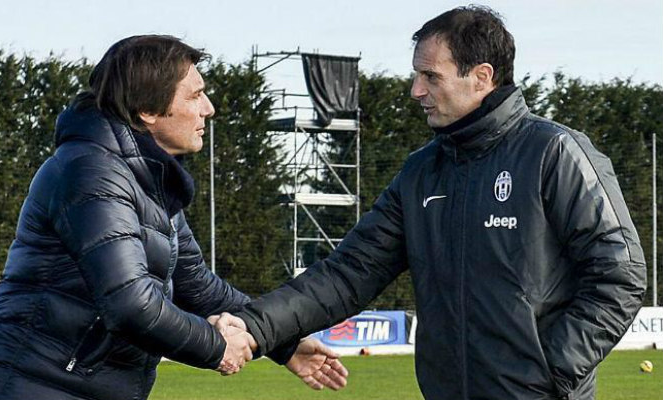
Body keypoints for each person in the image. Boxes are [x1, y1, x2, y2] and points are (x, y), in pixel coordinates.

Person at [211, 6, 647, 400]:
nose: (416, 90)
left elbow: (621, 275)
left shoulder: (555, 152)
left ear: (481, 77)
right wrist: (255, 325)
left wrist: (554, 370)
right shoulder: (421, 173)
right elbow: (347, 275)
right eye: (416, 75)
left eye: (430, 76)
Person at [0, 35, 347, 400]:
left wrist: (280, 341)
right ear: (148, 110)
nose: (208, 108)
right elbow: (130, 304)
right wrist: (217, 347)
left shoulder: (147, 178)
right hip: (34, 388)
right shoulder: (92, 171)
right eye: (195, 95)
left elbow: (196, 286)